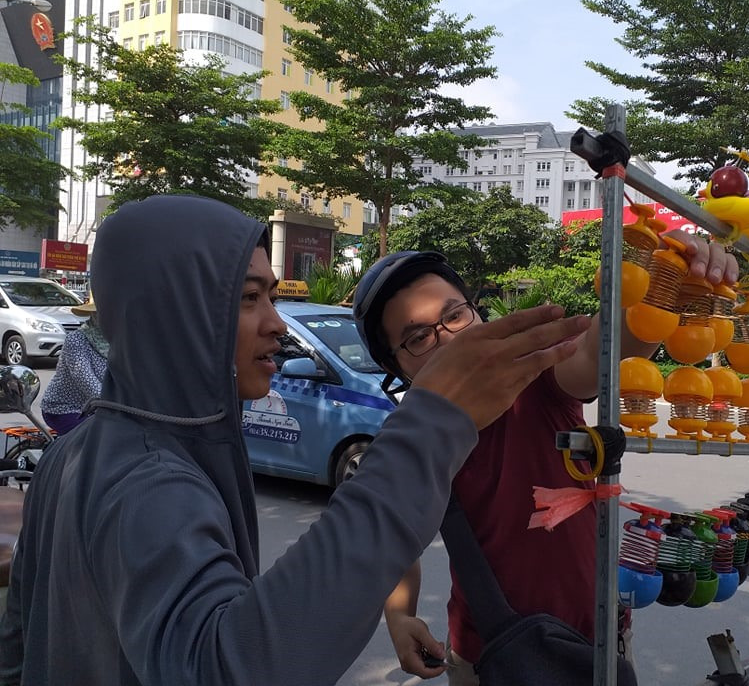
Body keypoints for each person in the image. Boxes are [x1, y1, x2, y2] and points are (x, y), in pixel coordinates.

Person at [0, 194, 591, 686]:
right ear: (177, 313)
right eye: (249, 298)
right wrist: (431, 425)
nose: (278, 325)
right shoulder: (151, 481)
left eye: (274, 298)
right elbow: (237, 665)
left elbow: (18, 641)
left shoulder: (74, 455)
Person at [352, 238, 738, 684]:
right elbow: (396, 534)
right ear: (399, 368)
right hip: (491, 659)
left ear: (477, 313)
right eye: (418, 337)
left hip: (596, 646)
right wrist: (399, 615)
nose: (450, 340)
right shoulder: (412, 437)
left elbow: (604, 349)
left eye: (455, 315)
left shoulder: (537, 378)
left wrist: (666, 282)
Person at [39, 295, 109, 435]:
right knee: (97, 438)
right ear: (94, 315)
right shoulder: (76, 340)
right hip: (64, 409)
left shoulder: (118, 342)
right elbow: (86, 380)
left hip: (101, 410)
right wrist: (115, 403)